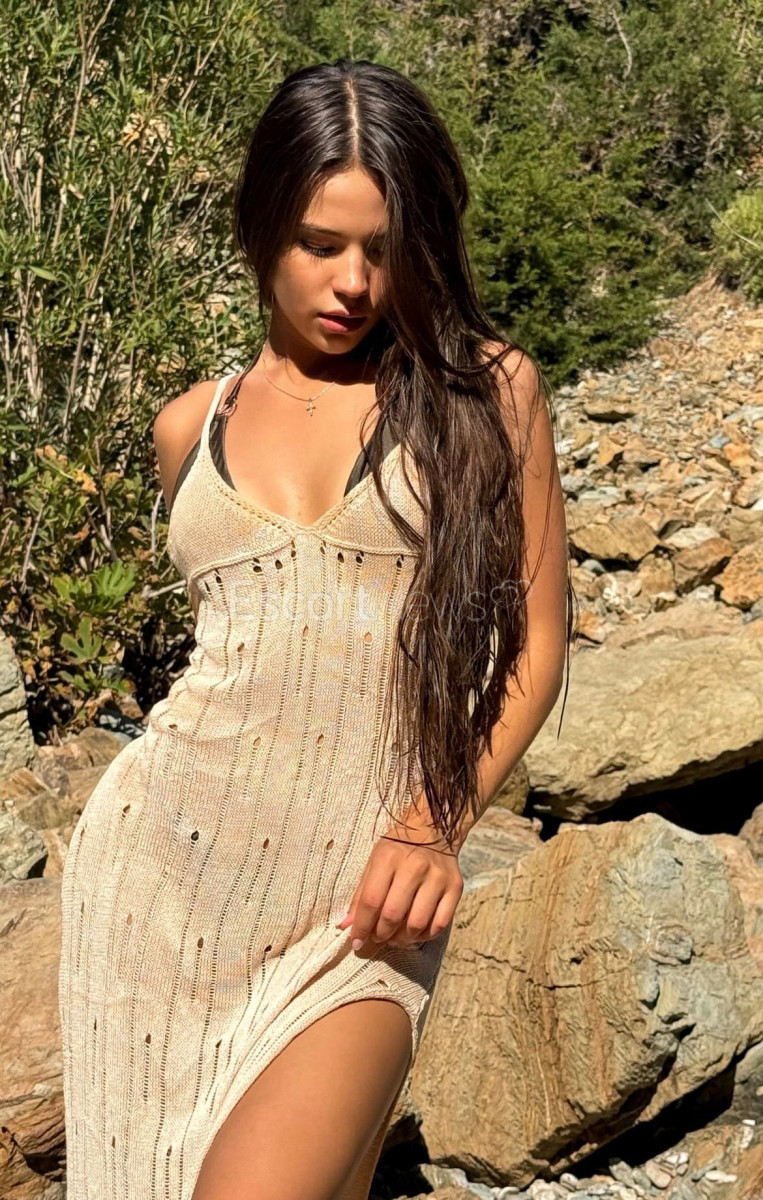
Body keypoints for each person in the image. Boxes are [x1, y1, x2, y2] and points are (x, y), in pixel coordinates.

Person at [58, 57, 572, 1200]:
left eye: (380, 250)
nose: (352, 282)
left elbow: (536, 648)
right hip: (156, 894)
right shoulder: (190, 426)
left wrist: (434, 824)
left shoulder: (485, 395)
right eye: (317, 243)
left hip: (365, 910)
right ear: (260, 230)